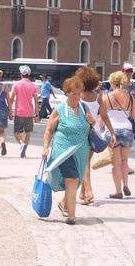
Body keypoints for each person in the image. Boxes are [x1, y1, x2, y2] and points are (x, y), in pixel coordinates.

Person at [42, 76, 94, 225]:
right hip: (63, 150)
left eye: (79, 94)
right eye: (74, 94)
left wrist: (92, 122)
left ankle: (65, 204)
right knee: (72, 179)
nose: (77, 97)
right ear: (66, 93)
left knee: (76, 182)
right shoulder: (59, 109)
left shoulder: (84, 108)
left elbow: (91, 129)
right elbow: (49, 130)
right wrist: (45, 147)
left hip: (81, 151)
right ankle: (71, 215)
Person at [76, 67, 116, 205]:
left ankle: (89, 192)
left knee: (83, 163)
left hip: (82, 132)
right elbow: (104, 116)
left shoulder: (78, 95)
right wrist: (112, 132)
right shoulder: (98, 97)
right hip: (95, 131)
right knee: (85, 162)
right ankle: (82, 193)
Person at [102, 71, 135, 199]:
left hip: (112, 131)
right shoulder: (130, 96)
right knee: (124, 161)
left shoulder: (107, 96)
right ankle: (126, 184)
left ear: (113, 82)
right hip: (127, 131)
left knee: (115, 163)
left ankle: (118, 191)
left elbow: (102, 117)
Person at [9, 65, 39, 158]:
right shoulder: (33, 86)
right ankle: (24, 151)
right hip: (29, 113)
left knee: (16, 132)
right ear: (29, 74)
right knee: (28, 132)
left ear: (21, 74)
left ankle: (22, 144)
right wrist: (37, 114)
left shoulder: (16, 84)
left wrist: (10, 110)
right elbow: (36, 101)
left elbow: (11, 99)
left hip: (19, 112)